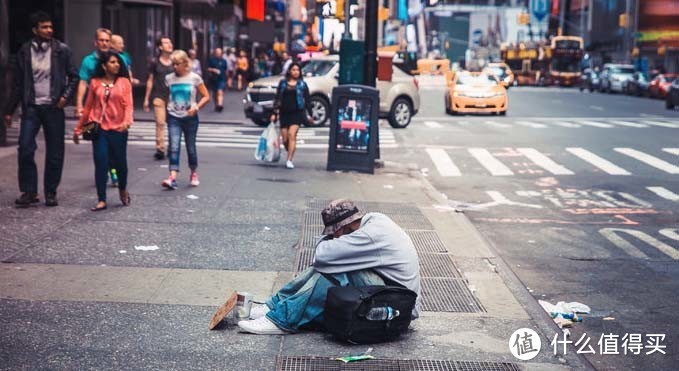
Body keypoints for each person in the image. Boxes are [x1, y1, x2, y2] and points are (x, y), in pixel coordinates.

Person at [237, 199, 422, 335]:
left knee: (336, 267)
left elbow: (322, 256)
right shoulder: (374, 220)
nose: (333, 237)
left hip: (398, 307)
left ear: (342, 227)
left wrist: (329, 241)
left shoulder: (370, 235)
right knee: (336, 262)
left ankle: (282, 320)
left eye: (334, 233)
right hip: (393, 296)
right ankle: (275, 305)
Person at [3, 11, 78, 208]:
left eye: (50, 27)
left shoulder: (62, 50)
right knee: (25, 149)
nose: (49, 30)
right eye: (44, 27)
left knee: (55, 151)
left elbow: (74, 76)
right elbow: (19, 84)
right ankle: (29, 191)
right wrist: (9, 110)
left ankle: (51, 192)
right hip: (32, 107)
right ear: (35, 30)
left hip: (54, 107)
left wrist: (65, 97)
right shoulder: (24, 51)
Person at [73, 51, 133, 211]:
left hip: (119, 128)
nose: (117, 65)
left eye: (118, 63)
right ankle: (101, 199)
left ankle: (122, 189)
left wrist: (127, 121)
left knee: (120, 164)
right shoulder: (94, 83)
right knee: (101, 162)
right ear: (104, 66)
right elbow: (88, 108)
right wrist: (79, 128)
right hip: (99, 130)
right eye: (113, 62)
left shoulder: (124, 82)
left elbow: (128, 105)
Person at [161, 50, 210, 190]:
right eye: (173, 64)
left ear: (185, 63)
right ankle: (172, 177)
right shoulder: (169, 78)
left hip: (190, 118)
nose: (175, 67)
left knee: (190, 147)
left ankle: (193, 172)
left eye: (177, 64)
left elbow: (206, 96)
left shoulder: (195, 78)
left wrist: (196, 107)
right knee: (174, 146)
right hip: (173, 116)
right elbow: (166, 96)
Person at [270, 63, 309, 169]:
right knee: (285, 139)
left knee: (292, 135)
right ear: (289, 71)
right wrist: (274, 113)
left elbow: (307, 100)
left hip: (297, 113)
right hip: (284, 113)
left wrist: (309, 115)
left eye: (298, 70)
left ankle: (289, 160)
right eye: (293, 70)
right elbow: (277, 98)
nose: (296, 72)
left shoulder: (302, 84)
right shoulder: (282, 83)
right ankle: (289, 149)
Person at [143, 36, 174, 160]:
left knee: (172, 123)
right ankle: (160, 149)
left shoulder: (175, 61)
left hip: (173, 98)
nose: (169, 44)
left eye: (170, 42)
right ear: (160, 47)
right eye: (166, 43)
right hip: (158, 96)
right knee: (160, 123)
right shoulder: (155, 62)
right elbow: (150, 80)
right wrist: (146, 99)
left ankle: (172, 147)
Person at [75, 28, 111, 119]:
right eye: (101, 40)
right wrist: (79, 105)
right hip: (93, 105)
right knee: (90, 130)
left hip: (112, 104)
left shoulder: (116, 60)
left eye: (107, 41)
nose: (104, 43)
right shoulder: (88, 61)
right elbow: (83, 83)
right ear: (96, 42)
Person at [207, 48, 226, 112]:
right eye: (217, 53)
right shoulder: (212, 60)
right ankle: (216, 105)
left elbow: (226, 70)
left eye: (220, 53)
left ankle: (220, 105)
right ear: (215, 53)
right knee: (215, 93)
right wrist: (213, 70)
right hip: (214, 79)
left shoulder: (224, 61)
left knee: (220, 91)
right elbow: (208, 68)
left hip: (221, 78)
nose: (219, 54)